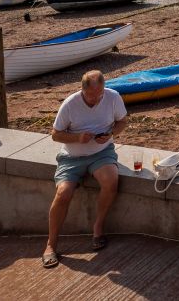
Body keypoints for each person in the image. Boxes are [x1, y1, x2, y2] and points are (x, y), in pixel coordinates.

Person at [43, 70, 127, 268]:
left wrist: (111, 133)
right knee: (63, 193)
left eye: (99, 94)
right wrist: (77, 138)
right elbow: (55, 135)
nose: (96, 99)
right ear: (82, 90)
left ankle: (98, 228)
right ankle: (50, 245)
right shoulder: (70, 104)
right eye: (91, 95)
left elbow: (122, 121)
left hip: (101, 153)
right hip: (72, 157)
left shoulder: (113, 97)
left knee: (111, 180)